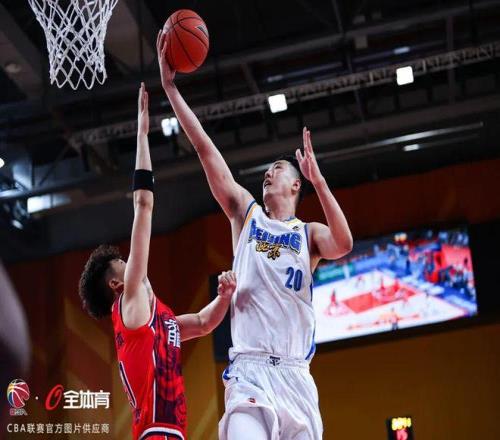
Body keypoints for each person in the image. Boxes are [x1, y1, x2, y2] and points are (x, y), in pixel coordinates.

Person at [158, 32, 353, 439]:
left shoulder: (309, 235)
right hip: (250, 372)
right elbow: (206, 151)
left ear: (296, 185)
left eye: (277, 169)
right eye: (266, 171)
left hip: (297, 378)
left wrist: (320, 181)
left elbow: (344, 243)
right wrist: (171, 90)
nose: (268, 173)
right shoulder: (246, 216)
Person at [78, 83, 237, 440]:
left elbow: (202, 322)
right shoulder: (130, 300)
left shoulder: (158, 323)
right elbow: (143, 205)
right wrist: (142, 133)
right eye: (124, 263)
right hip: (156, 433)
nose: (133, 261)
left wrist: (224, 297)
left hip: (166, 432)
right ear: (116, 285)